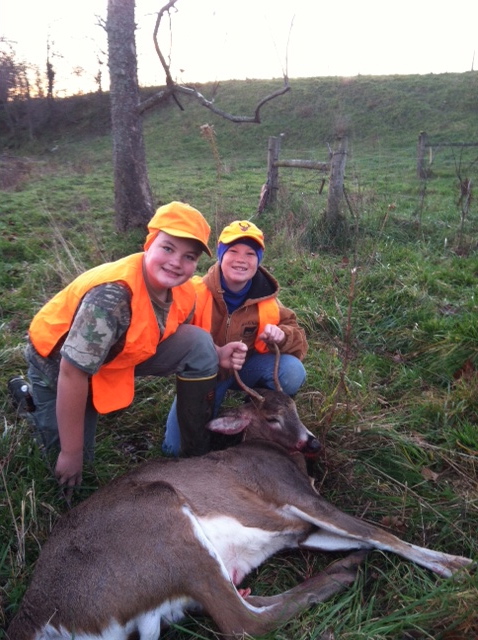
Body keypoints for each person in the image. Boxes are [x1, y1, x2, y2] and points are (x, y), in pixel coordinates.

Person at [10, 201, 246, 491]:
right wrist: (70, 453)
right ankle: (30, 398)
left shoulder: (185, 289)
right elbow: (72, 373)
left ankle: (195, 453)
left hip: (115, 354)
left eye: (189, 256)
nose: (176, 262)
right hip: (59, 369)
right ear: (149, 244)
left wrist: (216, 352)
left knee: (199, 344)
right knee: (72, 476)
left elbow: (172, 332)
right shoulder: (111, 299)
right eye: (168, 248)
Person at [163, 219, 308, 456]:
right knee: (175, 450)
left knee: (293, 372)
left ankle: (261, 415)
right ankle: (221, 409)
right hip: (206, 375)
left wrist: (283, 336)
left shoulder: (266, 298)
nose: (241, 259)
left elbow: (299, 340)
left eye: (250, 253)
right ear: (220, 255)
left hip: (250, 368)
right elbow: (169, 337)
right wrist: (210, 356)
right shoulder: (193, 293)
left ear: (258, 261)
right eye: (233, 251)